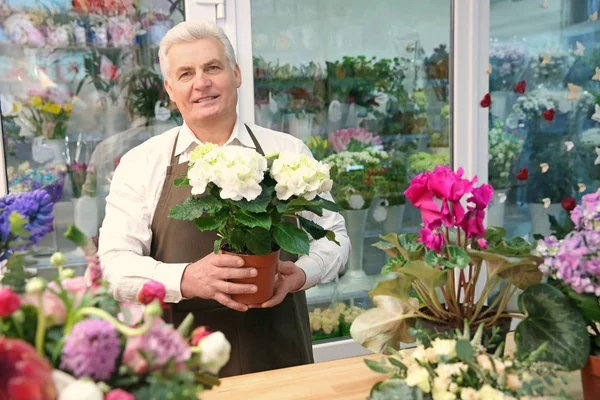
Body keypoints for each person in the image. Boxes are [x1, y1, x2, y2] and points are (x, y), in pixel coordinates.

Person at [98, 20, 350, 377]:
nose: (201, 83)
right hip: (184, 367)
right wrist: (188, 278)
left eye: (212, 68)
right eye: (185, 74)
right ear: (170, 89)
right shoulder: (142, 164)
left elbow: (336, 238)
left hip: (282, 356)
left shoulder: (287, 151)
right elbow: (113, 266)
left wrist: (301, 274)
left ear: (236, 73)